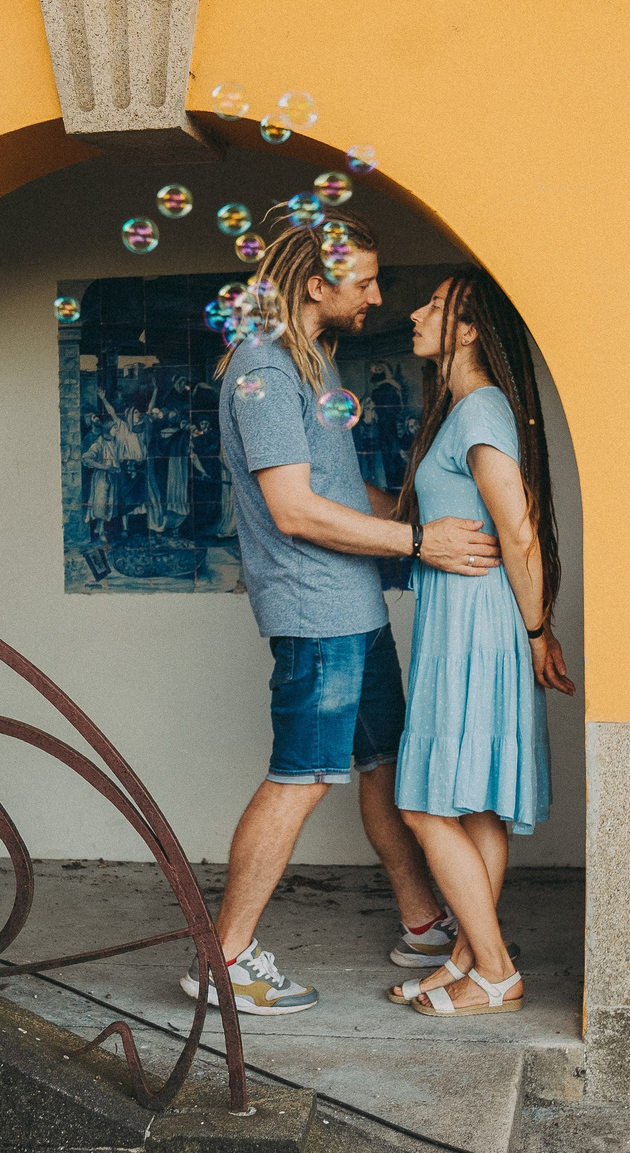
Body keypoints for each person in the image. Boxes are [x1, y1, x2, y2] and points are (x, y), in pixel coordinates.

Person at [188, 212, 499, 1013]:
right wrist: (417, 539)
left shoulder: (313, 362)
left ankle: (423, 920)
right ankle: (222, 962)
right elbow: (294, 510)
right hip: (315, 614)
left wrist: (427, 511)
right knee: (299, 779)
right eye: (362, 280)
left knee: (382, 763)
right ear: (315, 283)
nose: (376, 294)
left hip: (353, 607)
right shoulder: (261, 368)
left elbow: (333, 490)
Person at [382, 270, 576, 1017]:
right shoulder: (466, 411)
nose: (414, 310)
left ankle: (495, 969)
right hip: (464, 623)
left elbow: (519, 530)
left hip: (477, 630)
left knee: (426, 804)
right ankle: (466, 959)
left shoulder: (480, 410)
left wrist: (534, 631)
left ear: (467, 329)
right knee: (477, 809)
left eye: (432, 303)